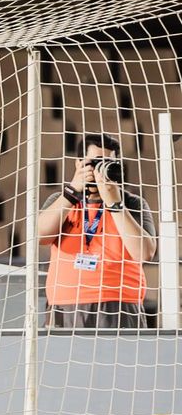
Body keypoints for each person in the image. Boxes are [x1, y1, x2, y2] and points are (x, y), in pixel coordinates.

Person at [35, 134, 157, 329]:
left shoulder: (132, 203)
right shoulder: (62, 201)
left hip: (119, 304)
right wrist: (72, 192)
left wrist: (114, 203)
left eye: (107, 163)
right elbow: (39, 236)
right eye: (95, 163)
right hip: (64, 304)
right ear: (79, 164)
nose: (100, 170)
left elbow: (144, 253)